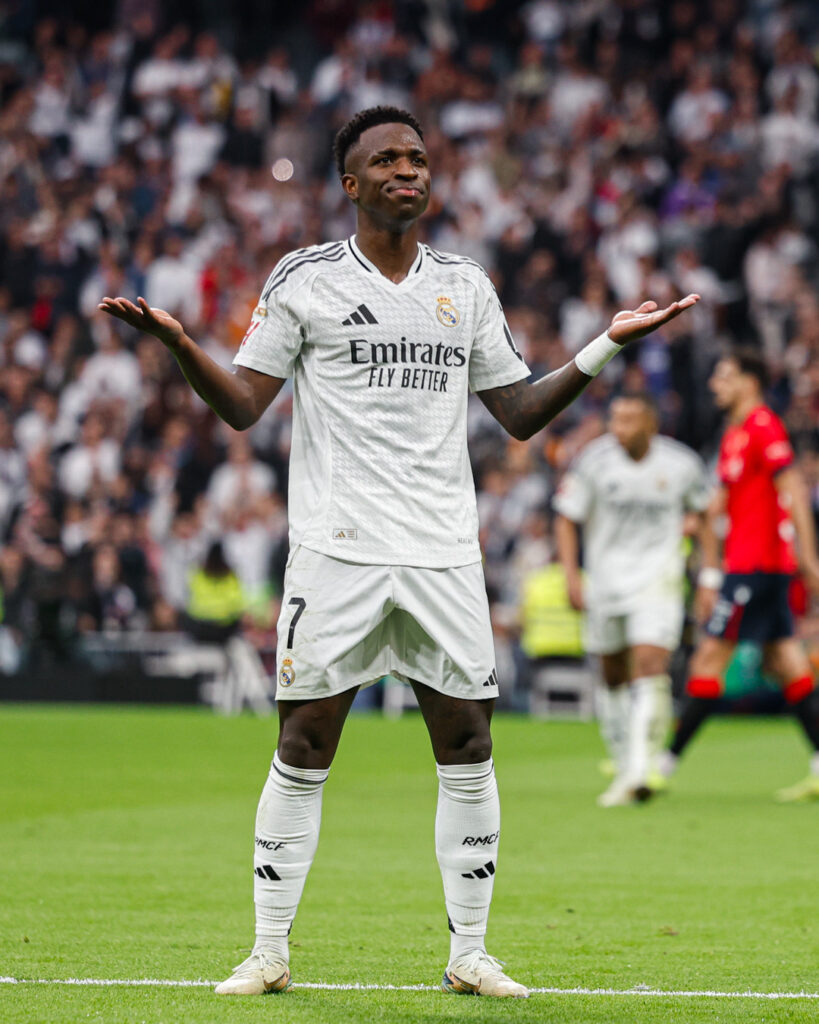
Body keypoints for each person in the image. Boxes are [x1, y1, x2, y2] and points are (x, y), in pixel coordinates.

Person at [98, 105, 699, 999]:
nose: (408, 170)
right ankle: (268, 951)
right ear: (350, 183)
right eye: (387, 159)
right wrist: (183, 344)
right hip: (336, 552)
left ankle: (469, 953)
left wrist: (605, 346)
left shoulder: (465, 284)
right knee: (304, 741)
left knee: (466, 740)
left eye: (418, 158)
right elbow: (240, 405)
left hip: (443, 553)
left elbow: (520, 413)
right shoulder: (303, 278)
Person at [659, 349, 819, 801]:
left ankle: (661, 765)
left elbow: (793, 491)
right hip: (748, 566)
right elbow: (724, 505)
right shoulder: (734, 434)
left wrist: (808, 558)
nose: (714, 383)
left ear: (750, 381)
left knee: (709, 659)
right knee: (786, 662)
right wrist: (706, 553)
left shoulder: (764, 426)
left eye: (724, 375)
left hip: (759, 567)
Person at [553, 392, 711, 806]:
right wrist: (571, 575)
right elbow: (567, 518)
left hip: (658, 581)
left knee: (650, 665)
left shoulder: (681, 464)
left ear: (651, 424)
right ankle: (625, 762)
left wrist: (710, 578)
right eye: (615, 419)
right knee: (612, 673)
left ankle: (642, 768)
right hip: (605, 582)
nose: (619, 428)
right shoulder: (594, 461)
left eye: (629, 420)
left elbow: (706, 514)